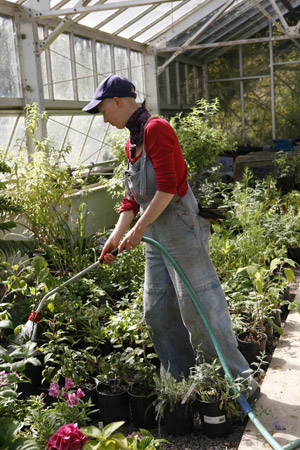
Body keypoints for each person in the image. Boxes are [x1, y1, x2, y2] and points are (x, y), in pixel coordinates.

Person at [83, 74, 259, 399]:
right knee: (158, 310)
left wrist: (139, 230)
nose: (104, 117)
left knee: (200, 308)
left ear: (118, 102)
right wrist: (115, 236)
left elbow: (166, 187)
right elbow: (132, 199)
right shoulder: (132, 142)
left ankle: (239, 388)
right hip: (156, 229)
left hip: (178, 223)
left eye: (103, 109)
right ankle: (182, 384)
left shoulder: (156, 130)